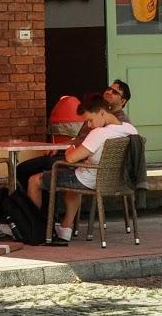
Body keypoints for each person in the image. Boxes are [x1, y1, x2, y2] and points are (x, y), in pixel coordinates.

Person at [26, 93, 139, 242]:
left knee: (34, 180)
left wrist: (70, 148)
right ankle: (66, 227)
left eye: (90, 120)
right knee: (71, 177)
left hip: (89, 180)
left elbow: (71, 158)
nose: (89, 125)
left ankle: (34, 228)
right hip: (118, 180)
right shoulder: (131, 130)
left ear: (102, 113)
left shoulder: (99, 133)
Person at [14, 80, 132, 191]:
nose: (109, 92)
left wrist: (72, 150)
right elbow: (79, 139)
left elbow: (88, 147)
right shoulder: (97, 115)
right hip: (81, 159)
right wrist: (58, 146)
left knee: (30, 171)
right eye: (109, 89)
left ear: (123, 101)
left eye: (115, 92)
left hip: (87, 165)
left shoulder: (118, 124)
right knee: (31, 169)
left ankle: (35, 209)